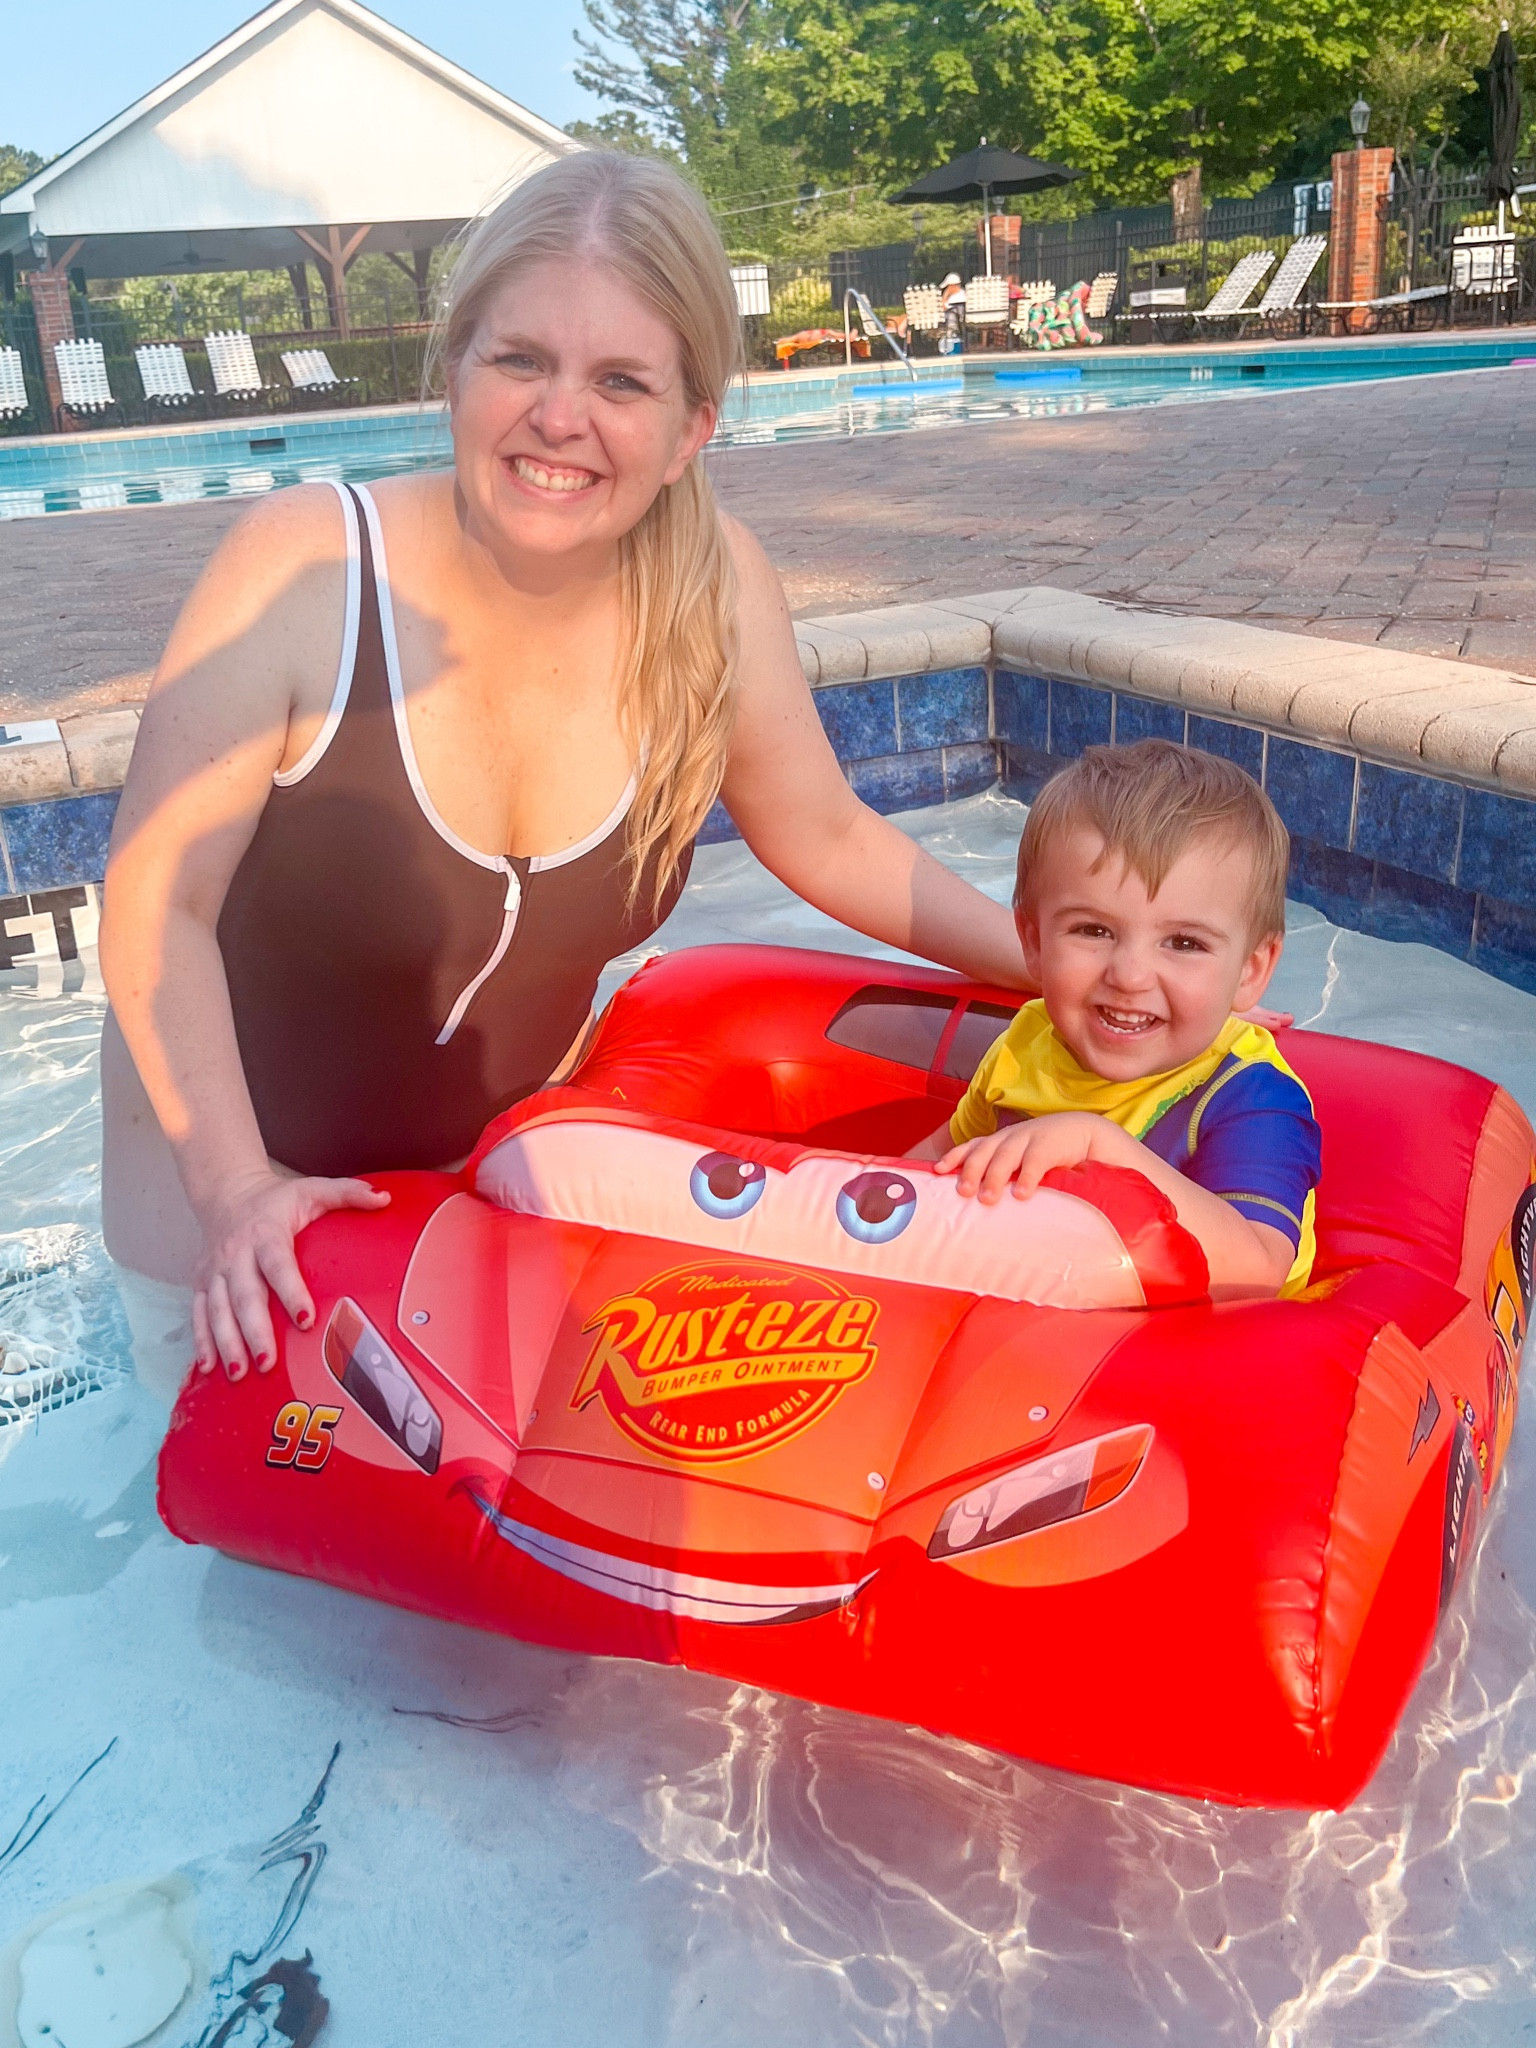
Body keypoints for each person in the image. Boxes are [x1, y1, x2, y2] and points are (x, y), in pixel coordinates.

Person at [99, 151, 1029, 1391]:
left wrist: (1060, 975)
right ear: (457, 368)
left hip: (472, 1211)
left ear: (692, 427)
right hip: (230, 1231)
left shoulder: (716, 591)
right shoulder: (306, 570)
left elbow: (829, 834)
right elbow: (155, 904)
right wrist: (235, 1192)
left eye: (621, 381)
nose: (559, 418)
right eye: (521, 359)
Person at [907, 741, 1321, 1301]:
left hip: (1199, 1357)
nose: (1129, 976)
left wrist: (1097, 1145)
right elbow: (935, 1161)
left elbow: (1258, 1268)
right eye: (1093, 930)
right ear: (1033, 940)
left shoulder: (1251, 1097)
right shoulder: (1024, 1045)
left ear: (1250, 970)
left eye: (1183, 942)